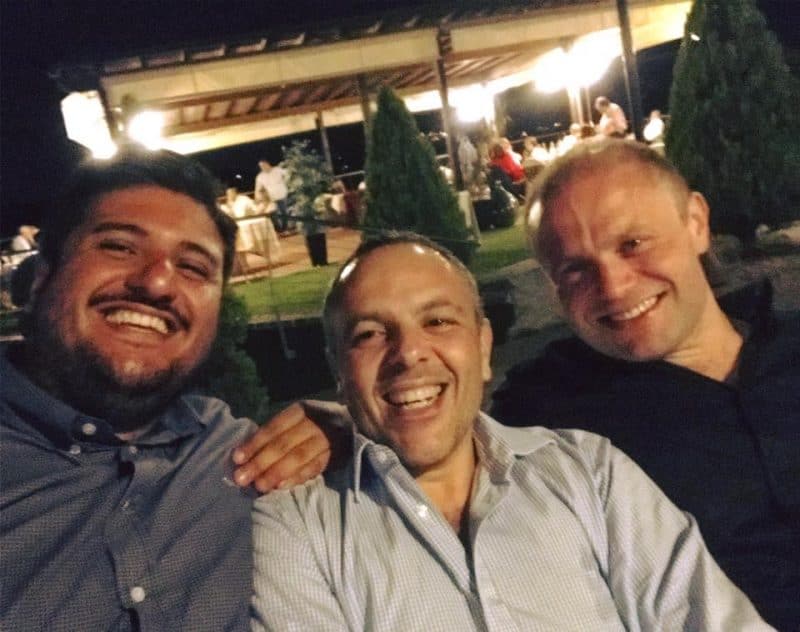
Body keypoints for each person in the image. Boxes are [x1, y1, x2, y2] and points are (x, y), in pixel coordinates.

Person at [251, 232, 768, 631]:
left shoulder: (590, 474)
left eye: (438, 322)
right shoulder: (296, 529)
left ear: (482, 347)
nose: (408, 353)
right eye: (369, 334)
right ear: (339, 370)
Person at [0, 147, 333, 630]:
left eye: (193, 268)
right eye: (119, 247)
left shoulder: (237, 449)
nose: (157, 282)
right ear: (41, 275)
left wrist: (347, 434)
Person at [491, 139, 799, 631]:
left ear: (695, 223)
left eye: (632, 244)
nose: (613, 287)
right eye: (576, 269)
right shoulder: (548, 417)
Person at [254, 159, 290, 233]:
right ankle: (278, 230)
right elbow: (257, 188)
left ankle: (285, 228)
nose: (263, 167)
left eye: (264, 165)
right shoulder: (260, 176)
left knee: (284, 212)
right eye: (261, 166)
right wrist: (257, 198)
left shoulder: (277, 170)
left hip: (282, 195)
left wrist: (287, 182)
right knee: (273, 214)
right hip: (271, 198)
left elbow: (288, 174)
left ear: (268, 164)